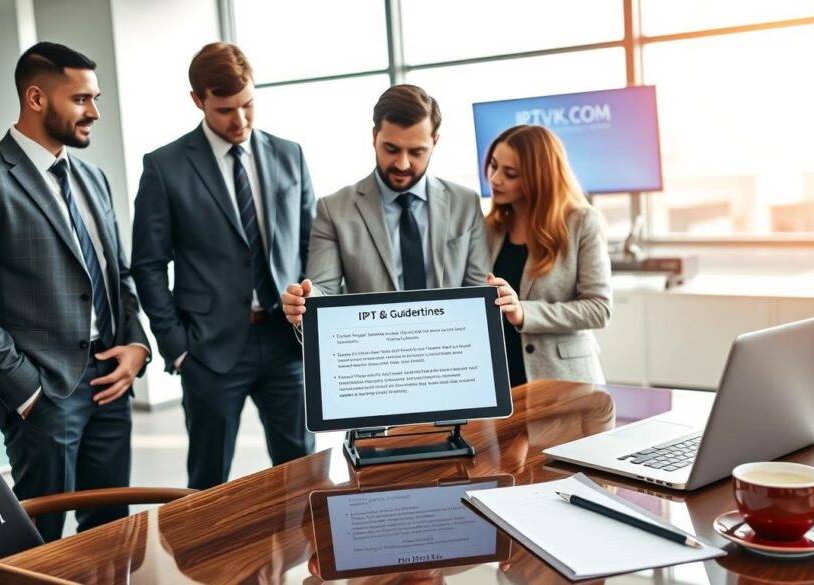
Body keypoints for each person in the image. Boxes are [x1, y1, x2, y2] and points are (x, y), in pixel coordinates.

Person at [0, 42, 151, 541]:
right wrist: (27, 391)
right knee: (39, 542)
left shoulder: (93, 178)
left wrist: (136, 347)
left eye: (95, 98)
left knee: (112, 532)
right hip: (44, 396)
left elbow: (118, 274)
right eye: (81, 100)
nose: (94, 111)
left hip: (111, 384)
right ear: (35, 98)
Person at [131, 42, 315, 490]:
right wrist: (177, 347)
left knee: (303, 472)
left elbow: (312, 246)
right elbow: (148, 264)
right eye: (225, 109)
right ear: (197, 101)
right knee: (207, 483)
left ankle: (304, 558)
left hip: (286, 342)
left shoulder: (289, 154)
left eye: (248, 104)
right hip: (208, 351)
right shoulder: (164, 167)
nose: (240, 120)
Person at [282, 84, 489, 322]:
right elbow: (323, 293)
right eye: (391, 149)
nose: (402, 164)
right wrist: (305, 301)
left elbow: (479, 295)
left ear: (435, 142)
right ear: (374, 137)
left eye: (416, 152)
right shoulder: (333, 210)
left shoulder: (465, 203)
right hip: (375, 354)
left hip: (452, 350)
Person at [482, 125, 612, 386]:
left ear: (538, 178)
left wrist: (525, 312)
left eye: (510, 173)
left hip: (564, 382)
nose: (495, 179)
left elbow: (599, 309)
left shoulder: (582, 222)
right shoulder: (489, 228)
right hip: (503, 381)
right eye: (493, 166)